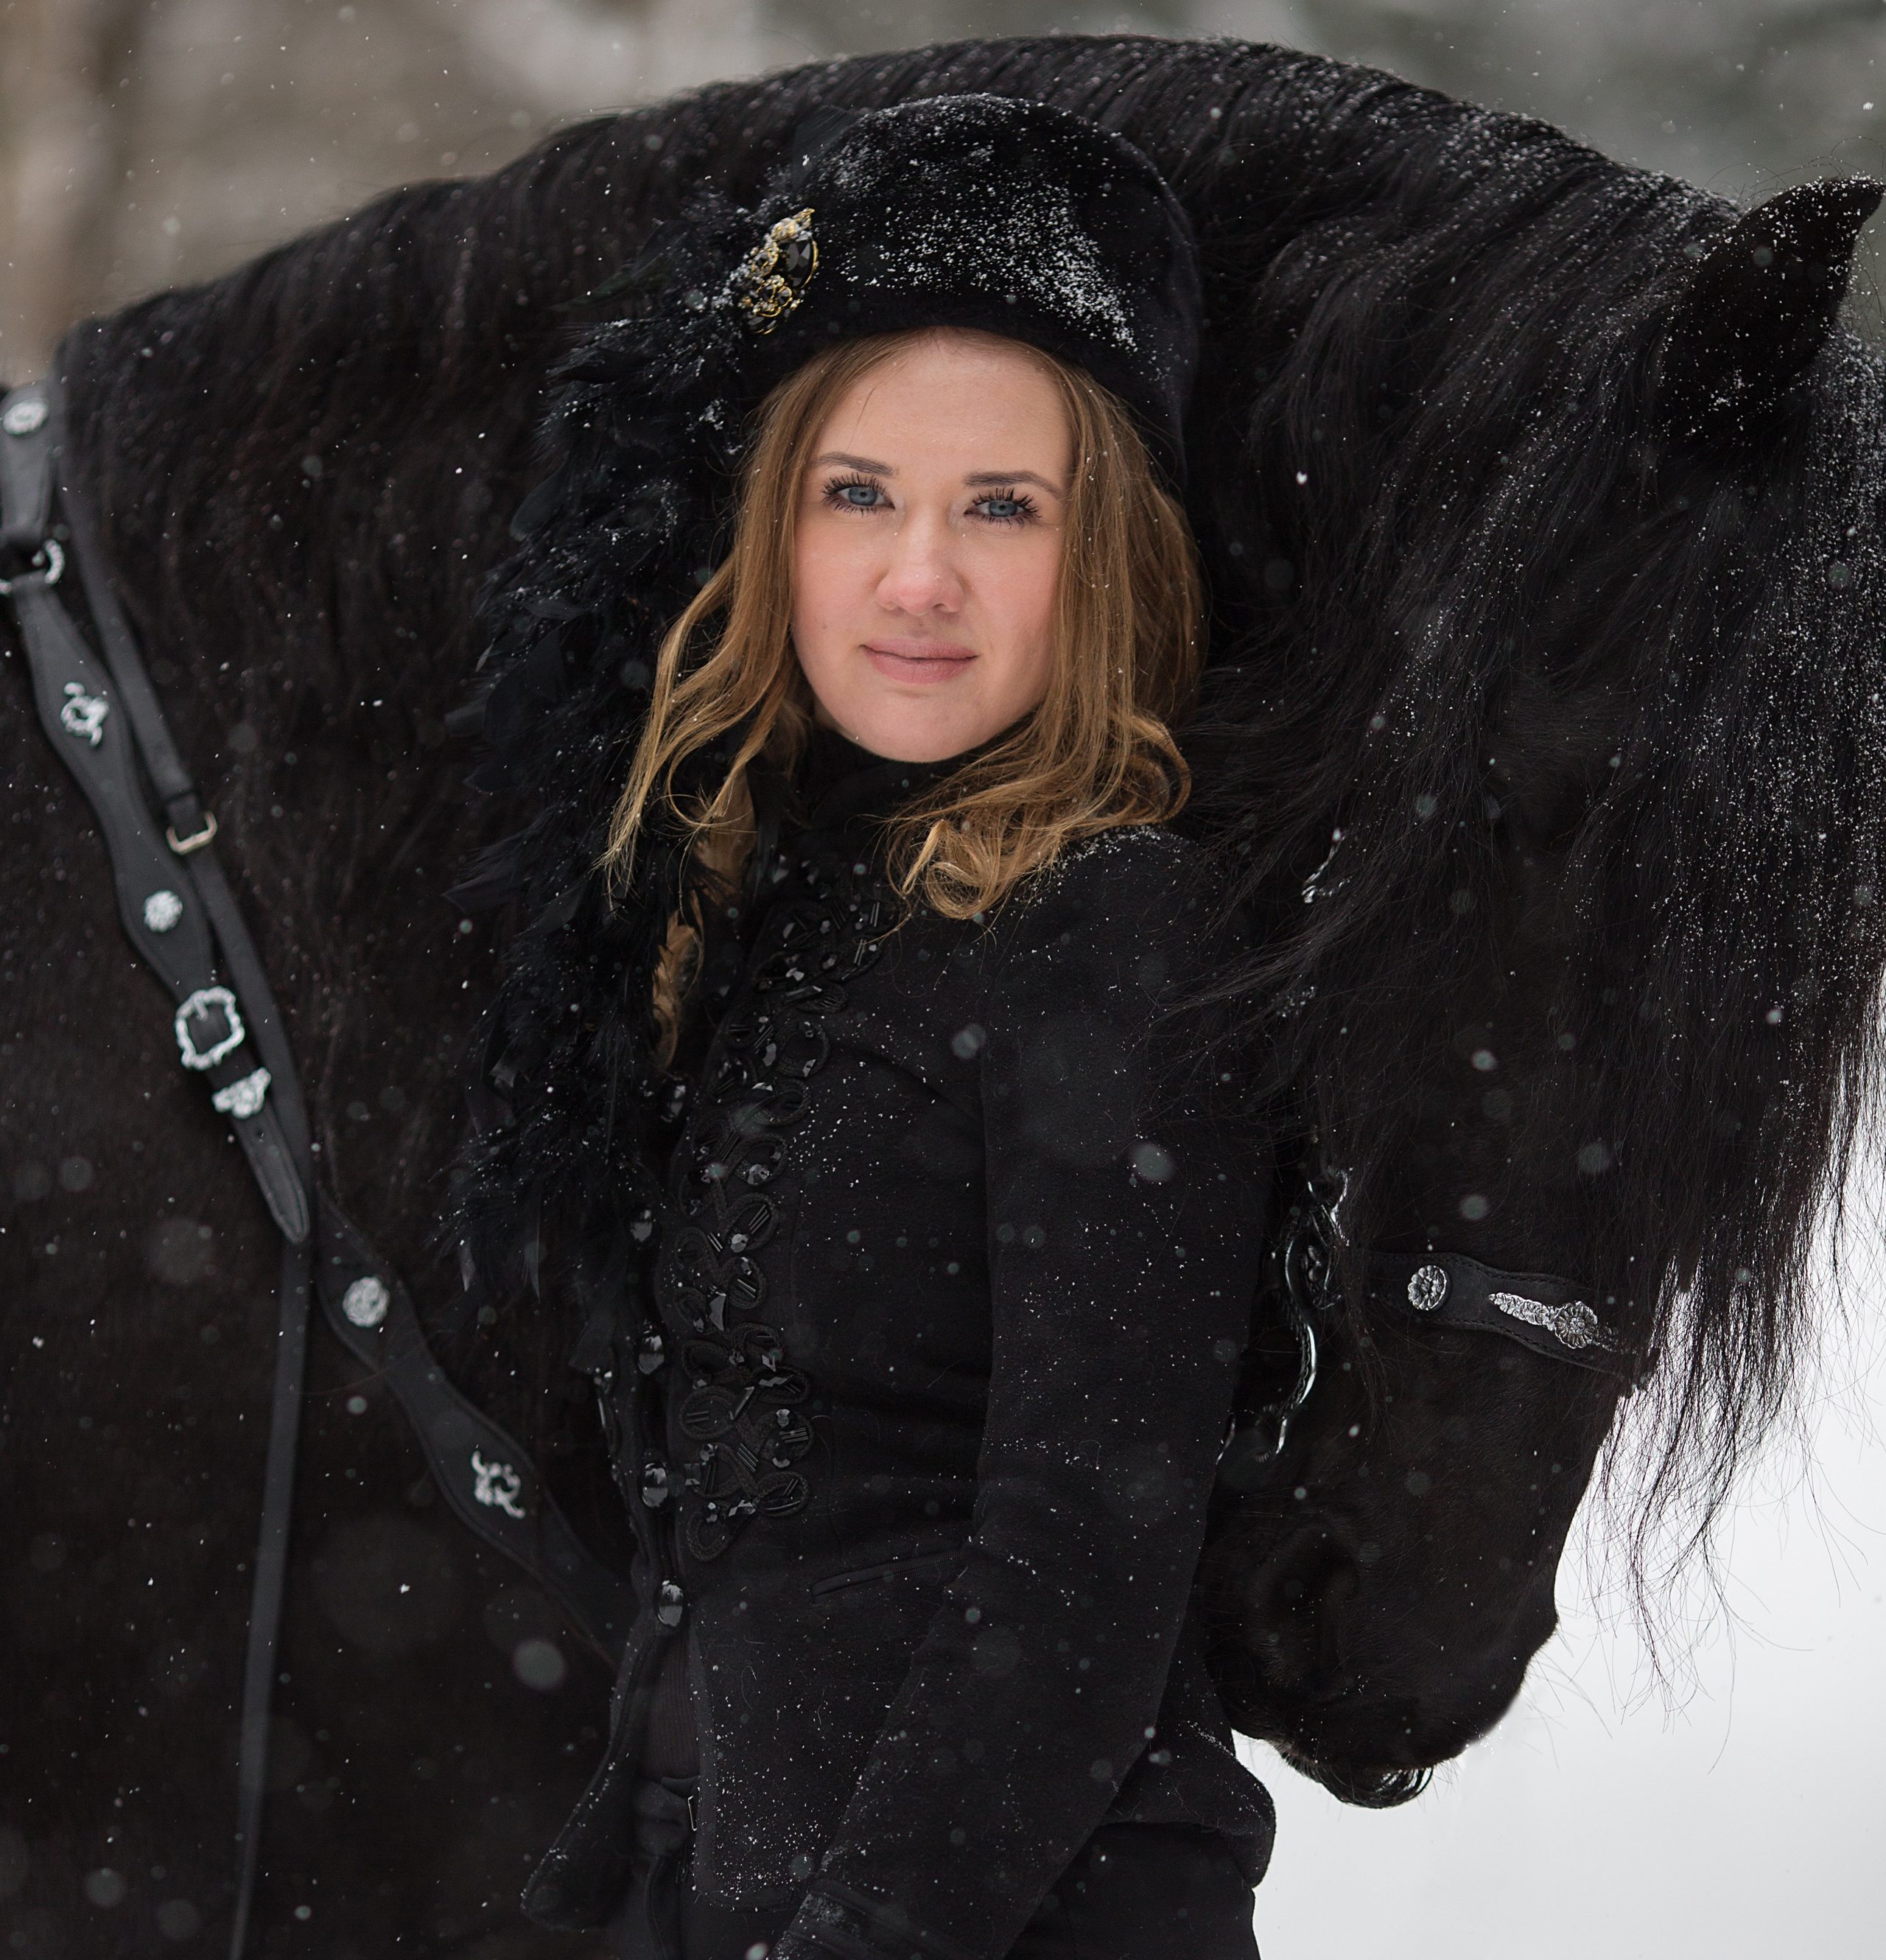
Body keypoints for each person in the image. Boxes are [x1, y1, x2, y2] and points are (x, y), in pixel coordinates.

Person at [477, 95, 1277, 1960]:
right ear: (777, 524)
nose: (918, 577)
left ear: (1104, 557)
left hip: (1016, 1909)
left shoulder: (1107, 924)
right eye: (861, 495)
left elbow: (1080, 1554)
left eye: (1000, 507)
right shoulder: (741, 894)